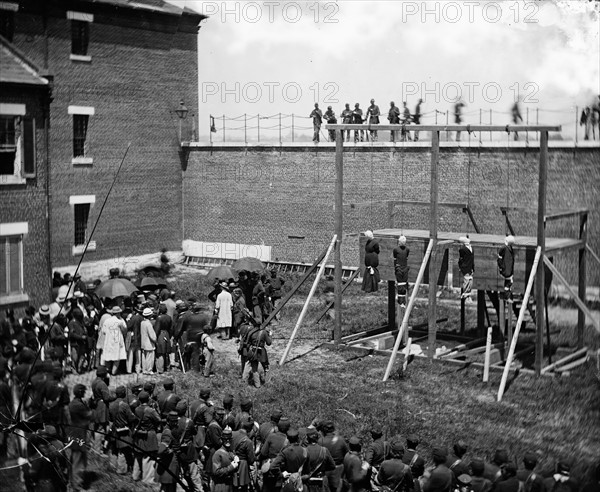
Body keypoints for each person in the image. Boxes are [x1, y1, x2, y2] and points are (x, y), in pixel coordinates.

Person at [132, 390, 162, 484]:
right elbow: (158, 419)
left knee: (138, 454)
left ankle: (135, 475)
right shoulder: (150, 410)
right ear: (148, 399)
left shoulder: (136, 409)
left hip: (139, 434)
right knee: (148, 457)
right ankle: (147, 479)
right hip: (149, 434)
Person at [69, 383, 93, 491]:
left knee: (75, 459)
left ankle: (73, 482)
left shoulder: (74, 403)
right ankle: (78, 486)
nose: (85, 393)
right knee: (78, 461)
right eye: (83, 391)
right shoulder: (78, 405)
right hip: (79, 435)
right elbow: (90, 415)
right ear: (80, 392)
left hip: (74, 433)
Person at [109, 385, 137, 475]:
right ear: (124, 394)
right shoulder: (125, 405)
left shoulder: (111, 405)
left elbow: (110, 418)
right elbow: (131, 418)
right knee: (124, 450)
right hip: (124, 429)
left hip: (115, 429)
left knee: (116, 449)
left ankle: (113, 466)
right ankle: (122, 470)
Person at [302, 427, 336, 492]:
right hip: (321, 482)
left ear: (307, 438)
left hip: (308, 483)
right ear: (317, 437)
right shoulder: (324, 450)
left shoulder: (304, 451)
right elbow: (332, 466)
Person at [91, 365, 115, 453]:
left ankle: (98, 448)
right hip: (102, 407)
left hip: (96, 406)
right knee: (100, 428)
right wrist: (115, 397)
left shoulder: (94, 381)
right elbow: (106, 398)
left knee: (98, 427)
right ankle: (97, 450)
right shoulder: (102, 384)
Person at [320, 421, 349, 492]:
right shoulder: (340, 440)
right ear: (333, 429)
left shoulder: (321, 441)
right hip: (339, 470)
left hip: (326, 470)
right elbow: (347, 454)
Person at [232, 416, 257, 492]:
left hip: (231, 463)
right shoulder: (248, 441)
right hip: (243, 466)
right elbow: (251, 460)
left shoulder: (232, 434)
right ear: (250, 429)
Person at [212, 426, 240, 492]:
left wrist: (235, 457)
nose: (228, 441)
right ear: (222, 440)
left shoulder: (230, 452)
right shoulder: (217, 454)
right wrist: (231, 467)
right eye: (225, 439)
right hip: (221, 485)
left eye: (229, 439)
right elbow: (216, 472)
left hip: (230, 484)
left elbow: (230, 456)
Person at [102, 306, 127, 375]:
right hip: (117, 340)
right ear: (118, 313)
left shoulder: (107, 321)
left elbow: (103, 331)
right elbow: (124, 330)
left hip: (108, 340)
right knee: (117, 357)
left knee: (108, 356)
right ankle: (114, 371)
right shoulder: (119, 321)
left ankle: (107, 370)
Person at [68, 308, 87, 373]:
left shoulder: (81, 321)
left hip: (82, 343)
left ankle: (79, 368)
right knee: (75, 358)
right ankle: (74, 370)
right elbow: (72, 334)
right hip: (75, 343)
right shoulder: (72, 323)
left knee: (82, 356)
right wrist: (81, 337)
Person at [154, 304, 172, 374]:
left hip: (160, 334)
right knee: (166, 352)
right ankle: (167, 367)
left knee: (160, 352)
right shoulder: (169, 317)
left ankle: (160, 369)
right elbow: (171, 328)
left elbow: (157, 329)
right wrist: (169, 336)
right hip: (167, 333)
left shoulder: (159, 318)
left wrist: (155, 337)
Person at [393, 236, 410, 307]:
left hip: (399, 269)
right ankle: (403, 301)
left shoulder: (396, 249)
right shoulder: (407, 249)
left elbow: (394, 256)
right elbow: (407, 256)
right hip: (405, 269)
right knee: (403, 285)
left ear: (399, 242)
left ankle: (400, 301)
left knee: (400, 285)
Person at [497, 236, 515, 301]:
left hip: (508, 269)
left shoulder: (507, 248)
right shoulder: (504, 248)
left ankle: (507, 296)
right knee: (509, 283)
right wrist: (501, 268)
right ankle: (507, 297)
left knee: (508, 283)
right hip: (506, 269)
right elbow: (499, 259)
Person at [140, 307, 157, 374]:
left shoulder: (142, 322)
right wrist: (155, 340)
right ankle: (149, 370)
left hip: (143, 342)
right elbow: (152, 335)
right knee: (150, 357)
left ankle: (144, 370)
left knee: (144, 357)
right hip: (149, 343)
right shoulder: (148, 324)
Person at [458, 237, 474, 304]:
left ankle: (468, 295)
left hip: (470, 267)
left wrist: (473, 267)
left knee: (470, 281)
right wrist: (461, 266)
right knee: (467, 280)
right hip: (465, 267)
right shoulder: (462, 249)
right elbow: (461, 259)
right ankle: (466, 295)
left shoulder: (471, 248)